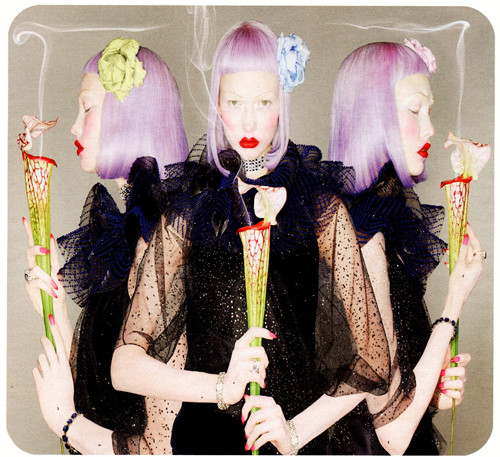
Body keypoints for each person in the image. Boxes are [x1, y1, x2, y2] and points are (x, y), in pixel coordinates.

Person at [111, 21, 393, 455]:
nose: (247, 119)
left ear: (282, 104)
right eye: (234, 102)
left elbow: (374, 360)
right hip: (204, 441)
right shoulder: (191, 210)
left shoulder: (318, 207)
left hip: (290, 440)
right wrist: (221, 386)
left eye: (263, 102)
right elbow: (124, 367)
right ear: (217, 105)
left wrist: (293, 433)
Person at [25, 36, 190, 454]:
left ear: (129, 115)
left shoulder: (163, 246)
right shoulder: (125, 237)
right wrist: (55, 310)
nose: (74, 126)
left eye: (88, 108)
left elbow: (160, 446)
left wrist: (65, 421)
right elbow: (97, 391)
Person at [327, 40, 484, 454]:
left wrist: (430, 392)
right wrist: (454, 304)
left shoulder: (380, 218)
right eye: (415, 110)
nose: (430, 128)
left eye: (429, 110)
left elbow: (381, 393)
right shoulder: (363, 233)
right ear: (371, 117)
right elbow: (392, 435)